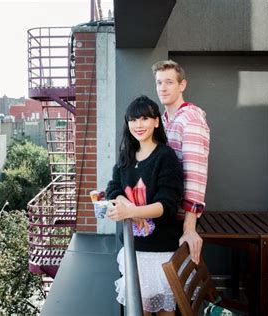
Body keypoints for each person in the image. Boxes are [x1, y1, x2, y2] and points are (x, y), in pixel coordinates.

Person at [106, 95, 184, 315]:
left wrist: (131, 211)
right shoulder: (126, 156)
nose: (138, 125)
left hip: (161, 252)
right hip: (133, 251)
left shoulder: (165, 157)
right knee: (137, 309)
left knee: (164, 311)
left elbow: (167, 204)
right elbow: (113, 189)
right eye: (133, 120)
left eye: (144, 119)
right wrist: (124, 204)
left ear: (156, 122)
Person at [151, 60, 210, 265]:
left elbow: (195, 173)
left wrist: (190, 228)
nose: (163, 88)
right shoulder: (166, 119)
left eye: (169, 82)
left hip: (181, 217)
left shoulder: (190, 119)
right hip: (166, 208)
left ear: (182, 85)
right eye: (159, 83)